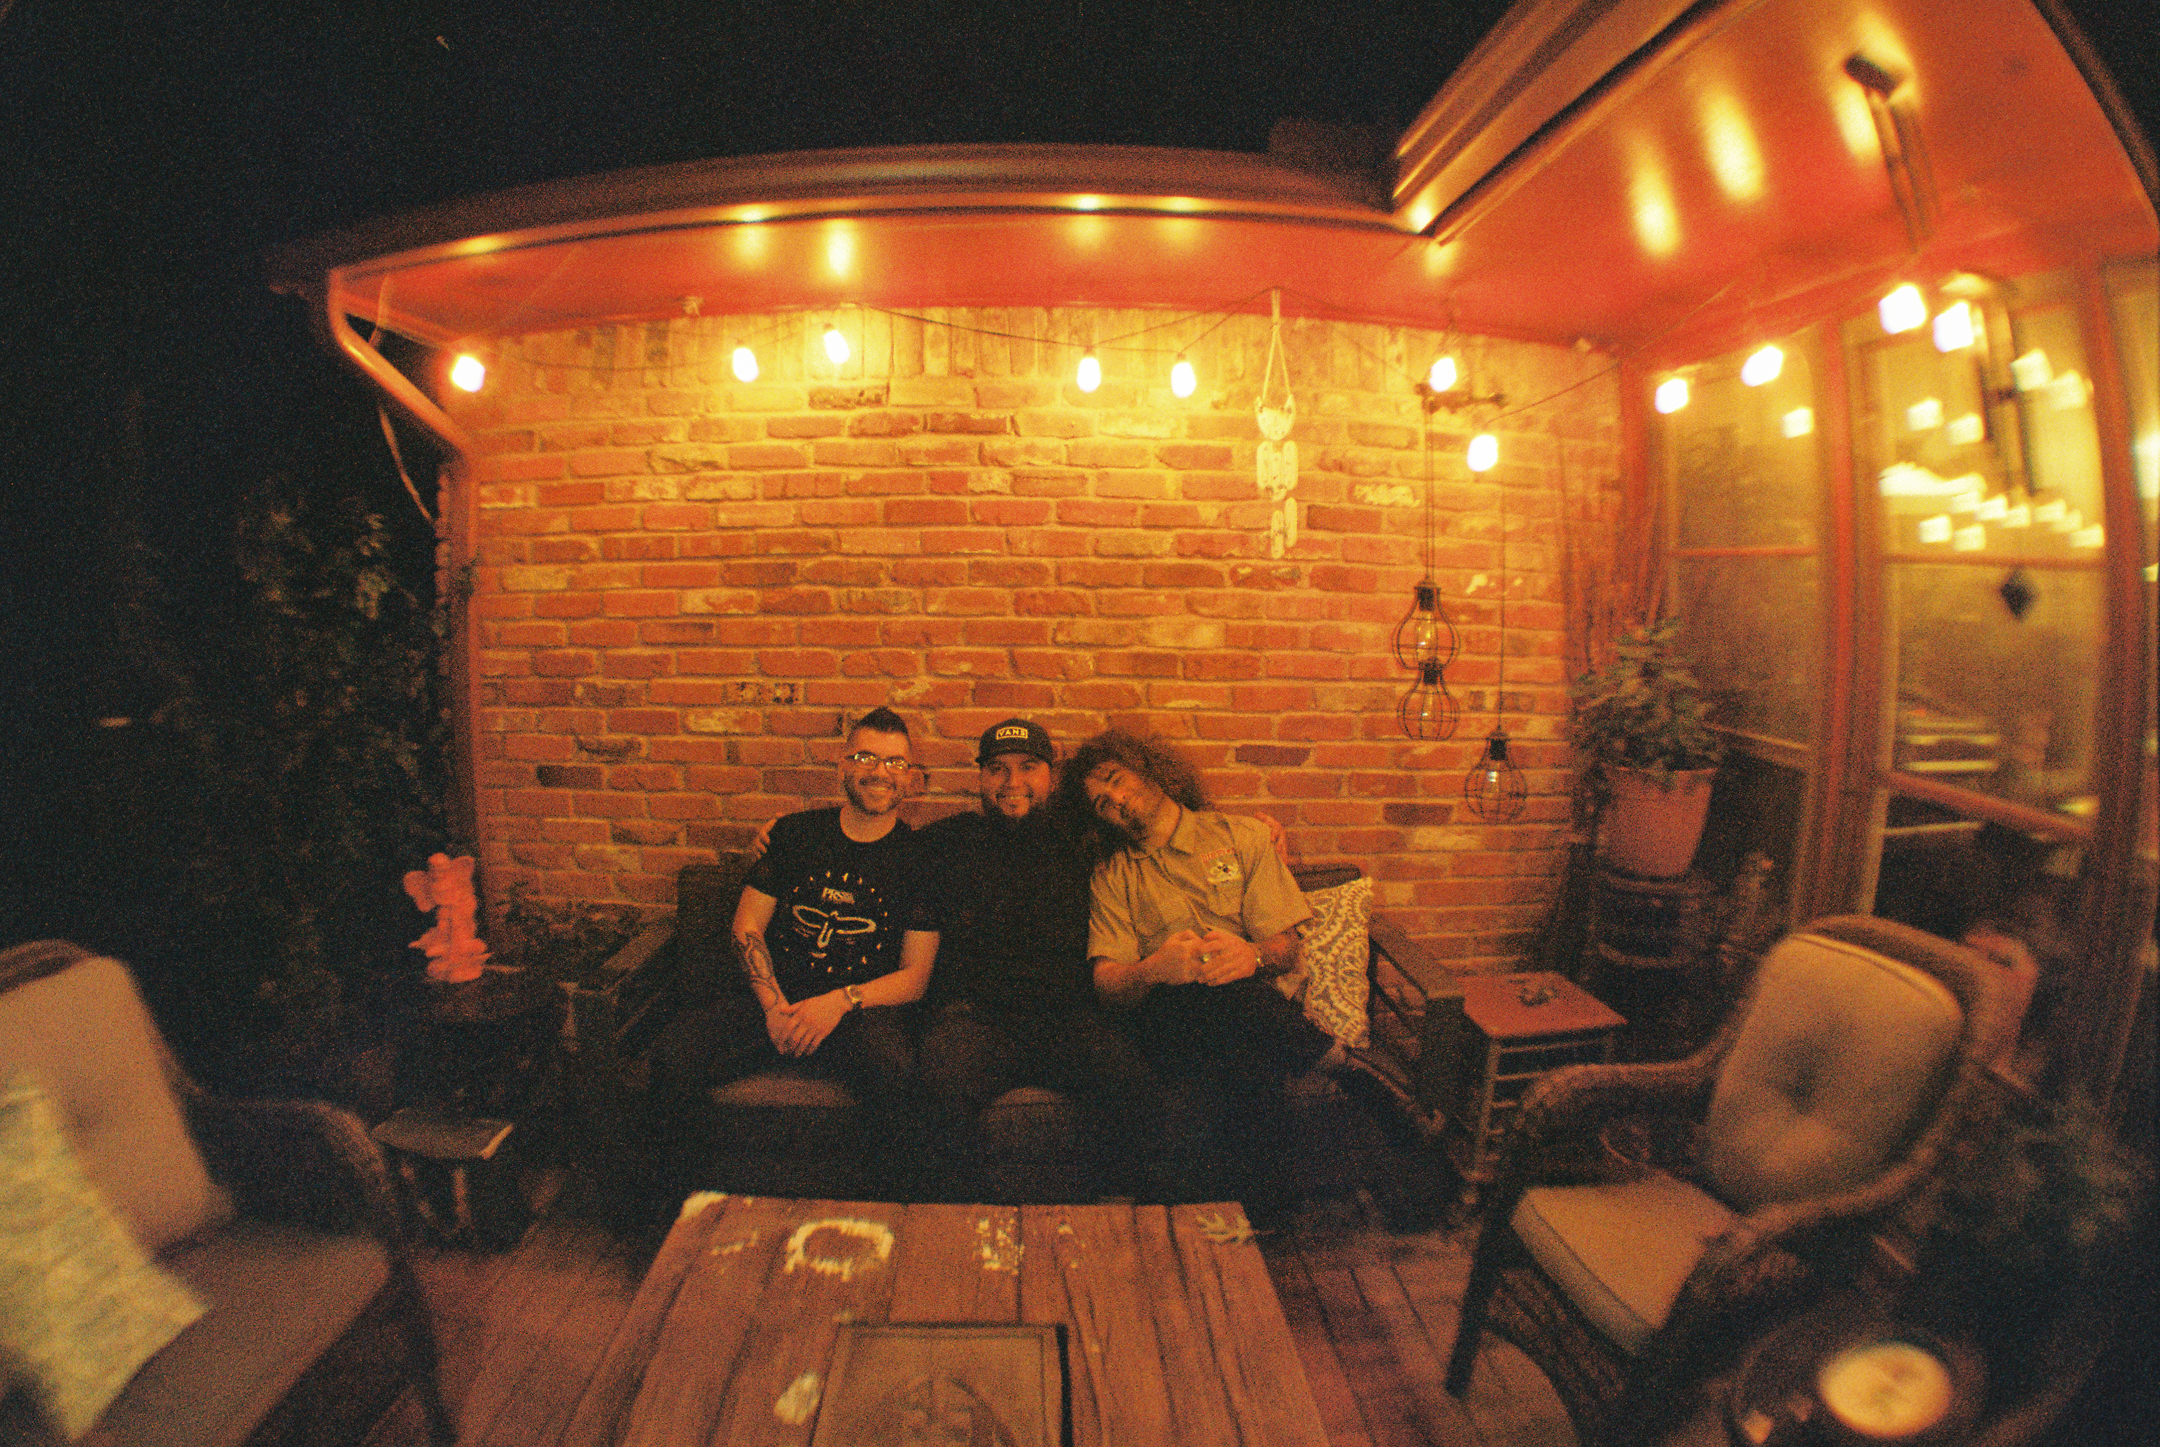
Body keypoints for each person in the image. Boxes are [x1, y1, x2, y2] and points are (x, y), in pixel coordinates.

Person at [649, 706, 935, 1195]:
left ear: (910, 776)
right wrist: (773, 1007)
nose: (880, 772)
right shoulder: (795, 835)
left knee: (897, 1076)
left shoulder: (921, 859)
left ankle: (883, 1216)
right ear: (843, 764)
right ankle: (676, 1213)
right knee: (674, 1053)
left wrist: (837, 1003)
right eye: (866, 757)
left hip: (858, 1013)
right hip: (776, 999)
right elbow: (747, 926)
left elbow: (916, 976)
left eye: (894, 762)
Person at [1059, 727, 1341, 1213]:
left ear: (1149, 768)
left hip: (1242, 1012)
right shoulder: (1112, 873)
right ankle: (1336, 1060)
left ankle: (1214, 1217)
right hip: (1165, 1017)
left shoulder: (1242, 836)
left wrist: (1251, 955)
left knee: (1234, 1039)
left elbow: (1286, 949)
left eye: (1116, 780)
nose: (1116, 800)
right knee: (1209, 1001)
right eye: (1102, 802)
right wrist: (1152, 970)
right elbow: (1106, 983)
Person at [906, 718, 1165, 1201]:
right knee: (935, 1094)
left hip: (1066, 1017)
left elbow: (1159, 827)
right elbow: (869, 841)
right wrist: (780, 835)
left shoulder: (1086, 837)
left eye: (1028, 767)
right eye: (997, 769)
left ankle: (1125, 1222)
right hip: (974, 1019)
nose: (1013, 782)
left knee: (1133, 1085)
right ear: (981, 777)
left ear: (1052, 775)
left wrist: (1250, 832)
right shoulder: (949, 841)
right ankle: (952, 1225)